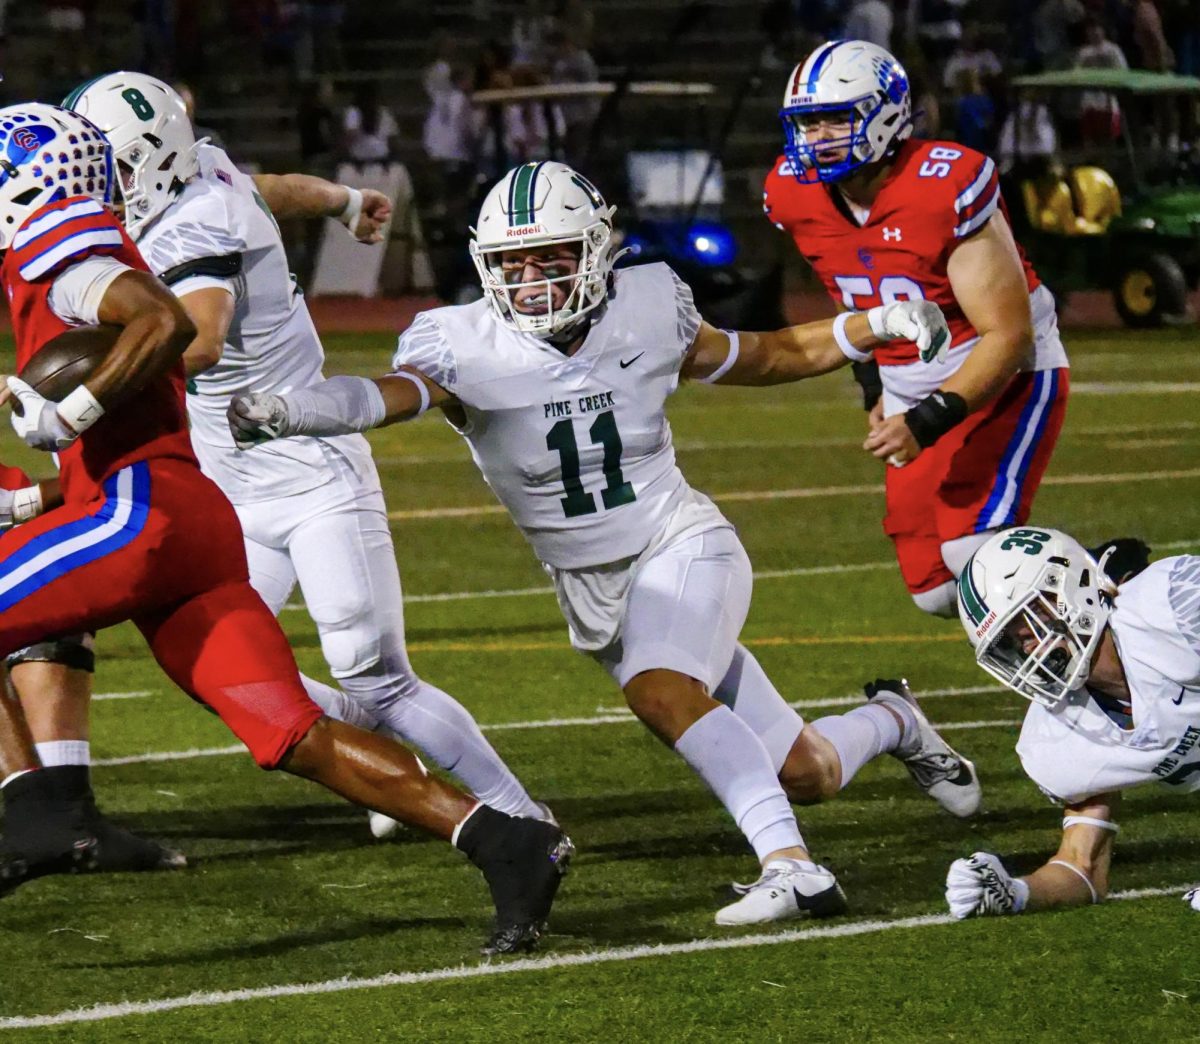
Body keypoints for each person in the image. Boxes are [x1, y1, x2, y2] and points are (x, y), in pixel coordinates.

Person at [226, 160, 982, 926]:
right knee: (806, 771)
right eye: (512, 263)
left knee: (660, 689)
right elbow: (388, 398)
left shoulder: (648, 306)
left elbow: (769, 354)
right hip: (595, 592)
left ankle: (793, 868)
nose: (532, 280)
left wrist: (872, 325)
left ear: (594, 250)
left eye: (550, 257)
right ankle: (897, 722)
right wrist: (300, 410)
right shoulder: (463, 343)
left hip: (680, 545)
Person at [0, 103, 570, 955]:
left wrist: (71, 407)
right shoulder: (98, 228)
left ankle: (35, 809)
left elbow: (168, 323)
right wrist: (34, 494)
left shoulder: (60, 234)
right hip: (184, 514)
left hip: (141, 515)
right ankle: (507, 842)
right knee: (290, 732)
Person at [763, 40, 1069, 620]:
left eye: (835, 118)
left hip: (1002, 374)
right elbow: (853, 290)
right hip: (908, 379)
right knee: (935, 591)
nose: (818, 136)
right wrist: (875, 388)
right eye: (807, 122)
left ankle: (1113, 599)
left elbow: (1009, 335)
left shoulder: (942, 184)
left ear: (885, 114)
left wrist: (925, 422)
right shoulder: (791, 193)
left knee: (971, 550)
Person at [944, 527, 1198, 917]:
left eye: (1028, 622)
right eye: (1009, 641)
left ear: (1070, 587)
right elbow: (1083, 869)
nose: (1028, 646)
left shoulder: (1171, 605)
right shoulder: (1053, 739)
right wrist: (1015, 892)